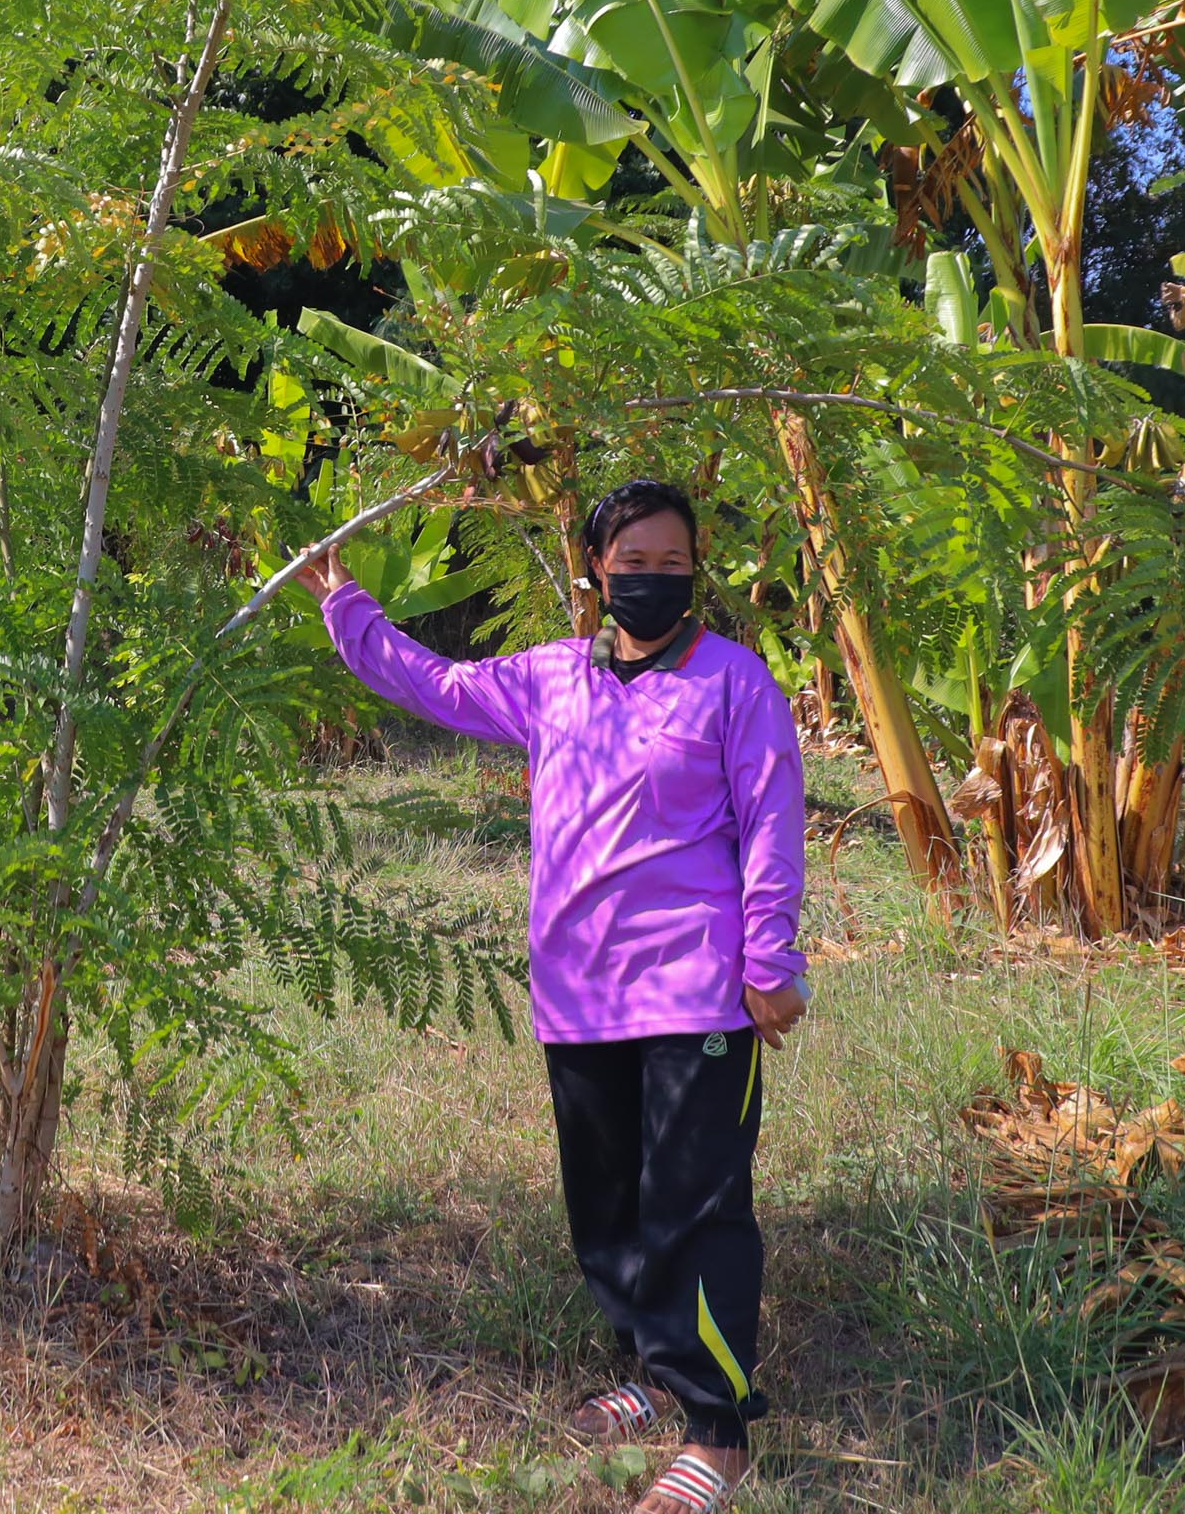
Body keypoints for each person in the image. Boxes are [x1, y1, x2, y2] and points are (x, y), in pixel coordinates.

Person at [297, 479, 807, 1514]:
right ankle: (643, 1371)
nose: (654, 583)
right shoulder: (549, 681)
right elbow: (430, 683)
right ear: (595, 572)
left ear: (696, 573)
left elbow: (772, 822)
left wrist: (770, 962)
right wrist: (346, 605)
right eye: (634, 566)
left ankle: (716, 1428)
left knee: (695, 1210)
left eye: (673, 566)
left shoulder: (734, 683)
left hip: (699, 996)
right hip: (579, 996)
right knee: (607, 1206)